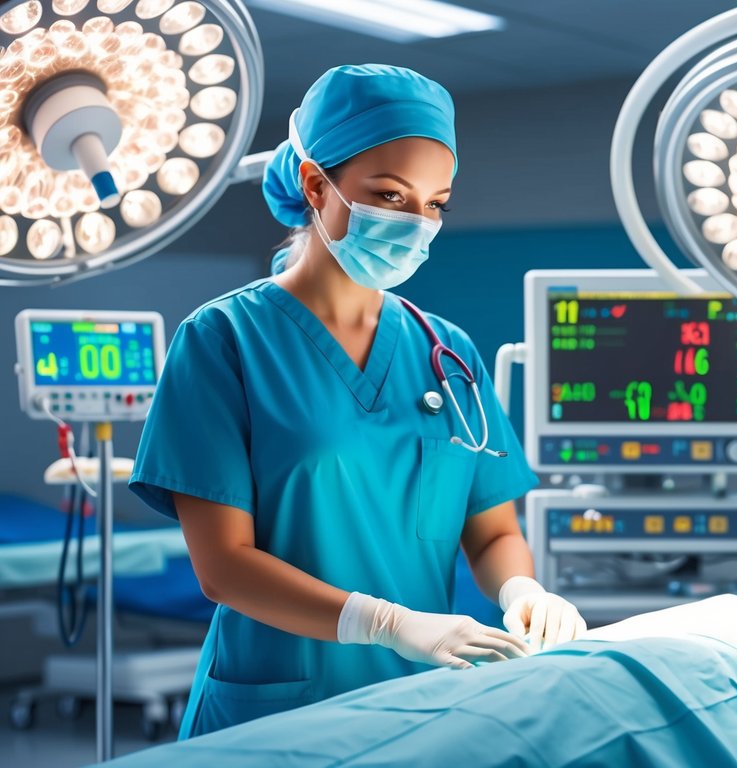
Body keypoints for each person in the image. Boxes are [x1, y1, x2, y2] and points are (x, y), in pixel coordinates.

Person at [131, 64, 586, 739]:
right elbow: (223, 567)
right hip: (276, 710)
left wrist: (523, 592)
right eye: (390, 195)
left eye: (436, 203)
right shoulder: (222, 340)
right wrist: (386, 624)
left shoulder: (449, 351)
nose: (418, 222)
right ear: (317, 185)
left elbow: (492, 531)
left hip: (425, 704)